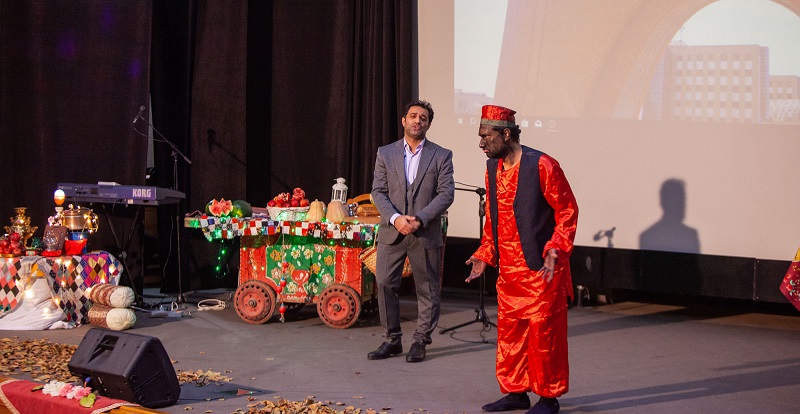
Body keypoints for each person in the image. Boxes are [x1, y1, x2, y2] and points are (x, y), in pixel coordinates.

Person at [465, 105, 578, 413]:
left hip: (541, 271)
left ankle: (548, 398)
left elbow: (567, 211)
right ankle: (516, 392)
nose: (481, 143)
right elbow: (493, 218)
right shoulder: (492, 168)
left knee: (544, 337)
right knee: (510, 335)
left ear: (506, 134)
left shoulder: (543, 165)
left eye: (486, 136)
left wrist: (556, 246)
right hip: (509, 272)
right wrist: (485, 253)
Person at [369, 99, 455, 363]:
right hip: (392, 231)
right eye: (414, 116)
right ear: (404, 120)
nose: (418, 120)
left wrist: (420, 219)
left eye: (423, 118)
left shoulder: (441, 155)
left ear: (428, 124)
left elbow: (446, 194)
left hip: (424, 232)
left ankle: (420, 341)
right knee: (385, 283)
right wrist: (396, 219)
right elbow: (378, 192)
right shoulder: (386, 153)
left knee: (427, 289)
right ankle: (392, 339)